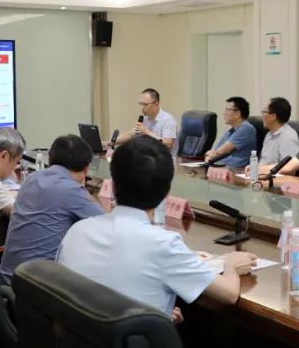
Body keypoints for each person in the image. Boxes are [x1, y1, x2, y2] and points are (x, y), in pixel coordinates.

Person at [58, 136, 256, 323]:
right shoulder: (163, 245)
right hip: (133, 346)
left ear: (114, 185)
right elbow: (229, 295)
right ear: (166, 193)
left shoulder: (77, 231)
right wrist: (231, 266)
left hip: (79, 344)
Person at [0, 134, 103, 284]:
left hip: (7, 280)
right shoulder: (70, 190)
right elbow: (107, 225)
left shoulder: (30, 179)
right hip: (38, 288)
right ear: (86, 169)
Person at [115, 88, 178, 157]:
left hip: (165, 159)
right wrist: (110, 142)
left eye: (145, 104)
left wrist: (147, 132)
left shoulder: (168, 119)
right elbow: (131, 134)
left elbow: (168, 144)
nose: (142, 107)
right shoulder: (145, 118)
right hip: (148, 157)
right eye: (140, 104)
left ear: (156, 104)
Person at [204, 96, 256, 169]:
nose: (224, 113)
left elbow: (220, 152)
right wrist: (209, 157)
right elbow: (214, 151)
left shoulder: (246, 129)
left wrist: (211, 156)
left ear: (237, 114)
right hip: (222, 167)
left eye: (227, 110)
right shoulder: (231, 130)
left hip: (235, 170)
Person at [256, 97, 299, 172]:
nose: (262, 116)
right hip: (262, 175)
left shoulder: (289, 137)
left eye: (264, 112)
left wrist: (260, 169)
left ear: (273, 116)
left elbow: (288, 168)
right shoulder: (269, 134)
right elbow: (264, 162)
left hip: (277, 178)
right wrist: (254, 167)